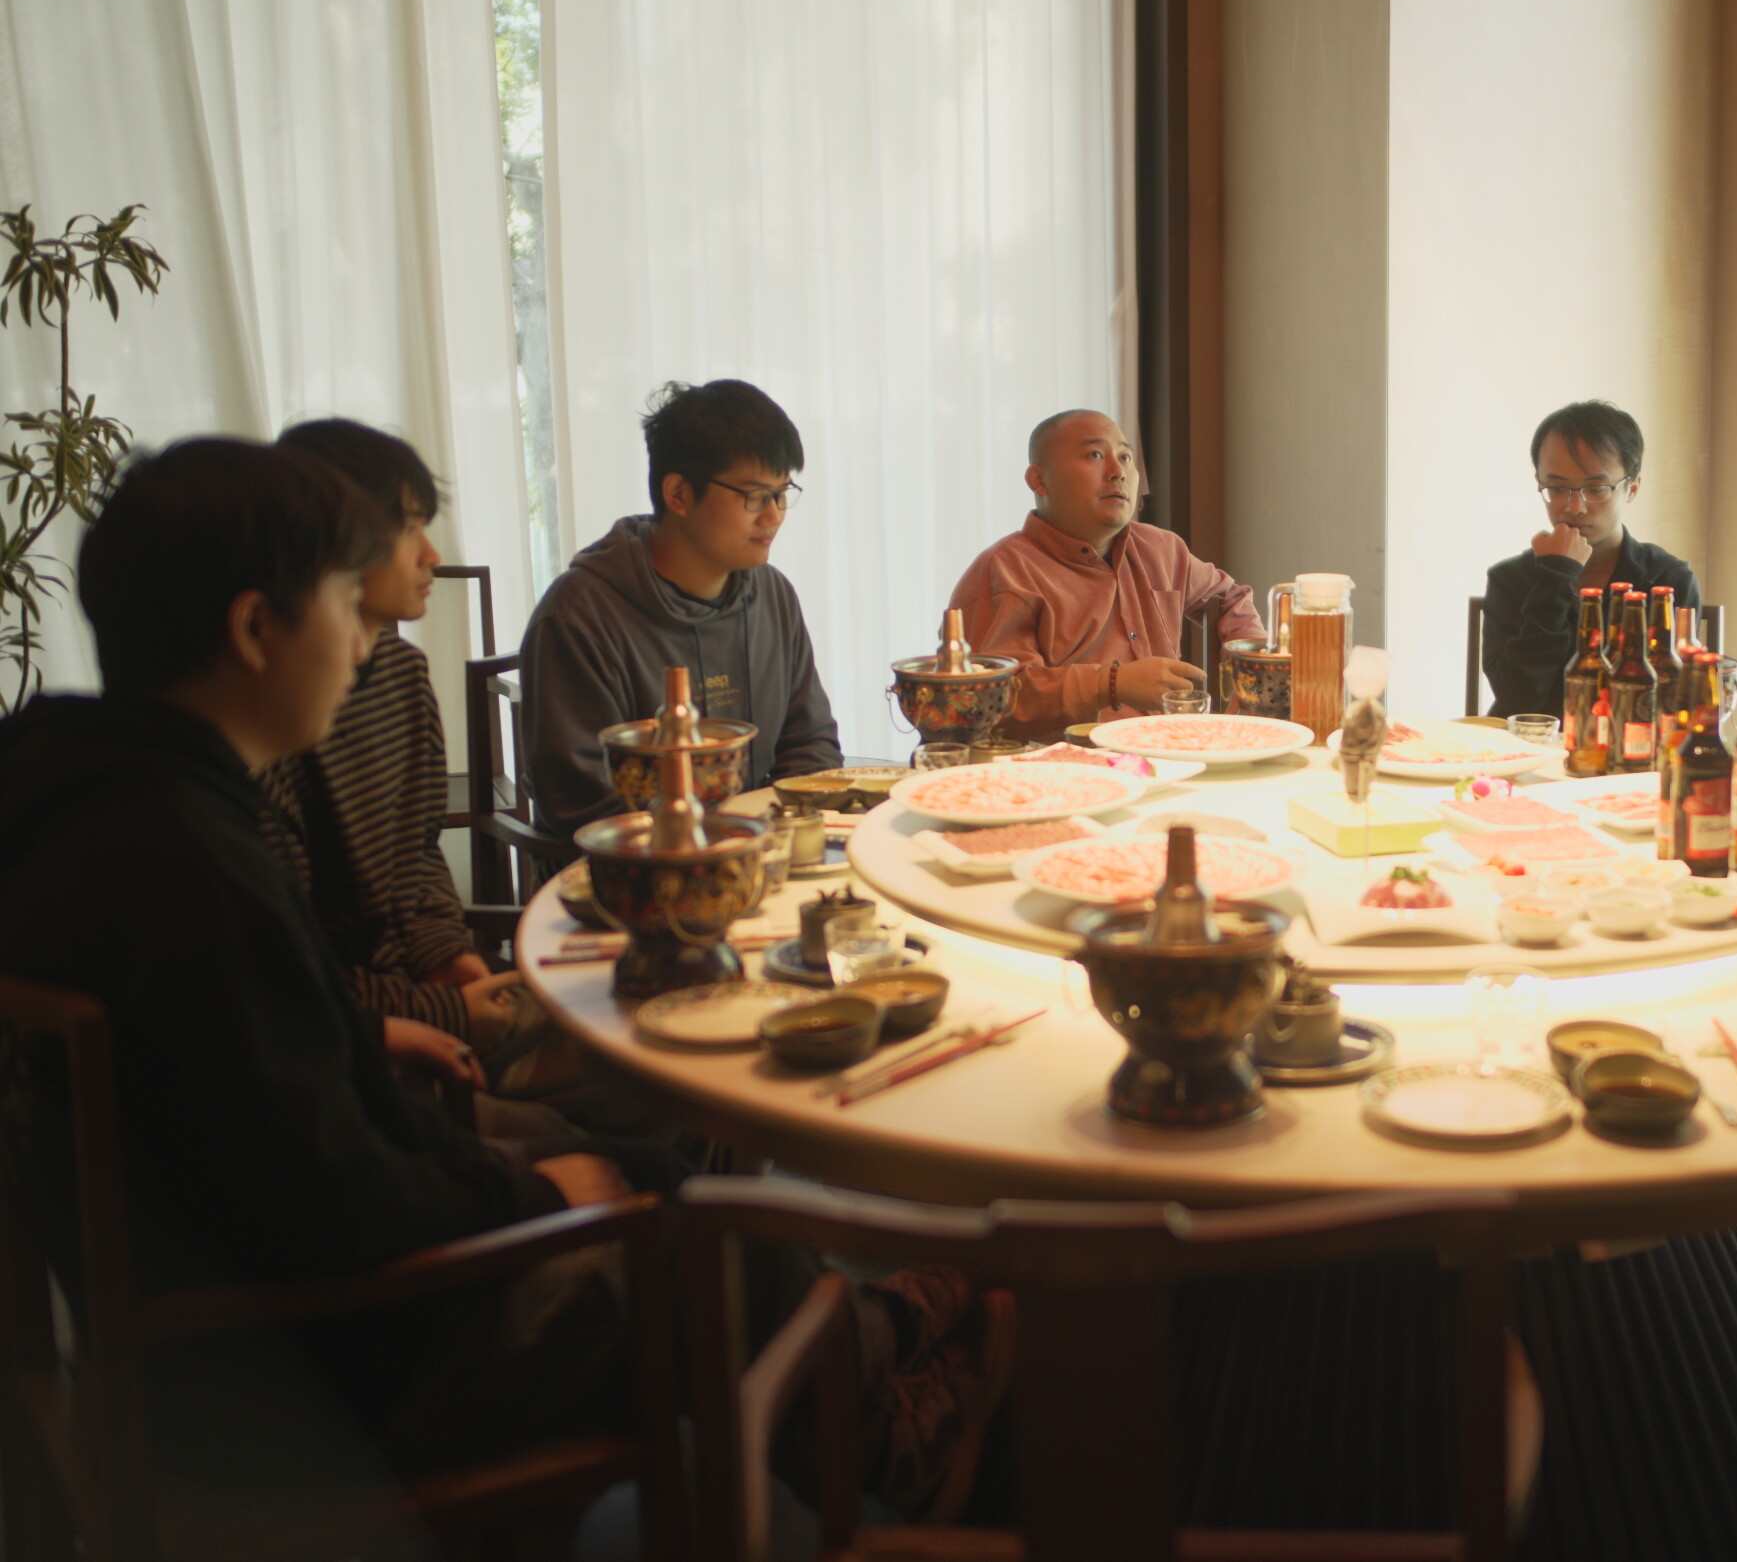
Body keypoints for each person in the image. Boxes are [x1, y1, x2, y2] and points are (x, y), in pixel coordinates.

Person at [0, 439, 1009, 1512]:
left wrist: (382, 1048)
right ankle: (910, 1436)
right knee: (712, 1243)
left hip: (230, 1314)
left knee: (657, 1174)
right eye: (346, 602)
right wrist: (528, 1193)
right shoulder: (188, 868)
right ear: (256, 630)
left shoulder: (103, 800)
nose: (365, 638)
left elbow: (244, 1082)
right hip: (306, 1369)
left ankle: (877, 1347)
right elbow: (331, 1198)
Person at [258, 420, 520, 1061]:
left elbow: (420, 849)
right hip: (359, 1040)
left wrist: (446, 955)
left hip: (412, 998)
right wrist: (443, 1012)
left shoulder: (403, 673)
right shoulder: (276, 721)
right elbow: (288, 989)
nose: (431, 555)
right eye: (407, 530)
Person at [521, 379, 842, 837]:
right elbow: (581, 801)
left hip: (760, 853)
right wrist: (733, 840)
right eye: (754, 496)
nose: (773, 516)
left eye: (781, 493)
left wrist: (778, 832)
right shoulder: (579, 615)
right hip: (632, 870)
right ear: (678, 494)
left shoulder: (773, 596)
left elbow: (811, 744)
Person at [948, 409, 1264, 741]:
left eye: (1125, 457)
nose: (1118, 472)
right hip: (1066, 764)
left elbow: (1230, 598)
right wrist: (1111, 684)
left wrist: (1254, 672)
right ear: (1038, 480)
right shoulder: (1005, 571)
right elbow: (993, 701)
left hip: (1171, 749)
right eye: (1095, 455)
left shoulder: (1161, 549)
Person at [1482, 400, 1701, 720]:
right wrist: (1555, 578)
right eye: (1557, 488)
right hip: (1529, 745)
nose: (1575, 507)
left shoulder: (1665, 582)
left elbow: (1667, 704)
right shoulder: (1510, 579)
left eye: (1597, 489)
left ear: (1632, 487)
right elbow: (1518, 698)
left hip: (1628, 748)